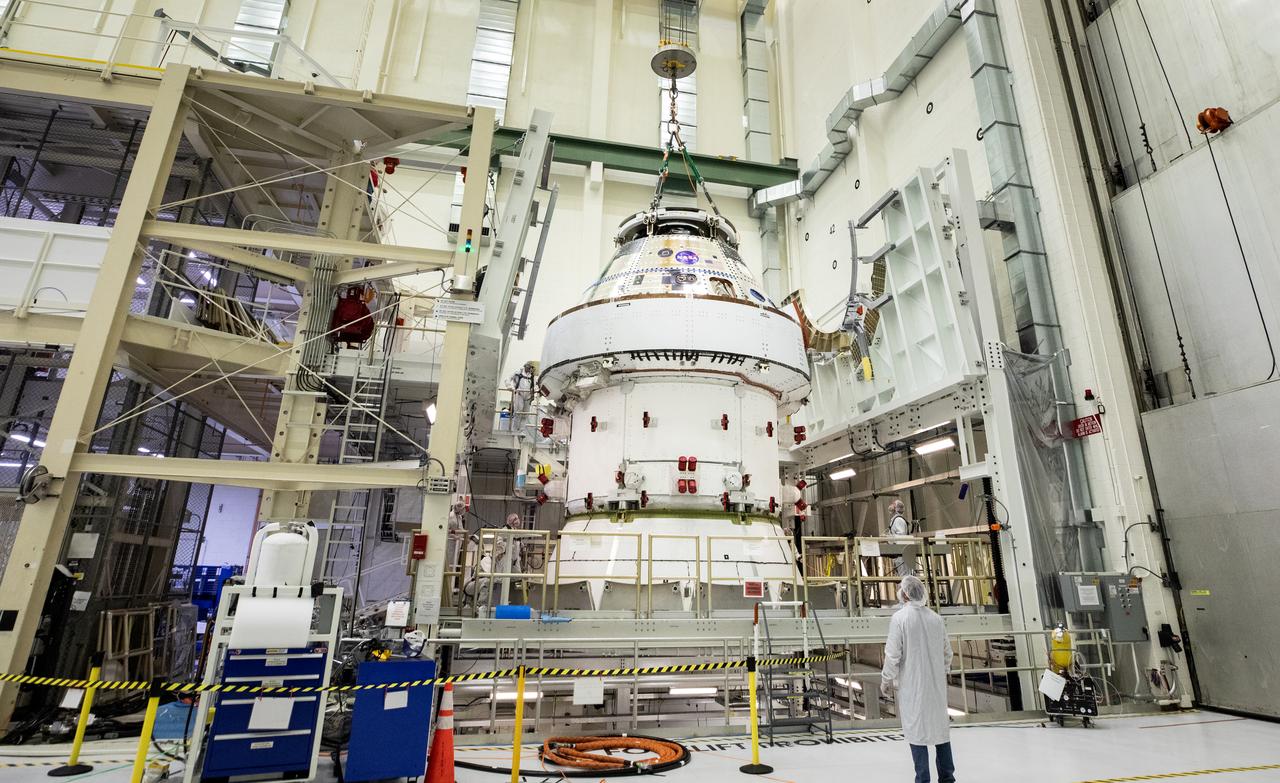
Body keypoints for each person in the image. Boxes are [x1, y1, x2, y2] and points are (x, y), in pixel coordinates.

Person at [882, 575, 955, 783]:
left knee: (917, 734)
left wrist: (886, 679)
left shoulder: (900, 619)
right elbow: (947, 653)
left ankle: (922, 779)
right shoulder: (936, 618)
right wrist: (938, 673)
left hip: (913, 687)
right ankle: (948, 778)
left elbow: (893, 654)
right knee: (940, 733)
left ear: (905, 593)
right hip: (936, 687)